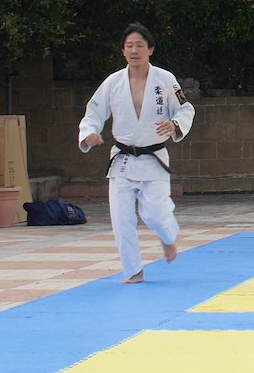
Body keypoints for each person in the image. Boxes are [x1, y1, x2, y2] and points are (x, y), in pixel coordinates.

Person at [78, 24, 196, 282]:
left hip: (154, 159)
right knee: (121, 220)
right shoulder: (113, 82)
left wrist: (174, 123)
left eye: (139, 45)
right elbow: (94, 112)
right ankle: (134, 270)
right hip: (121, 159)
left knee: (154, 213)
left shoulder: (165, 80)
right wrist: (89, 132)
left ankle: (168, 237)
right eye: (129, 46)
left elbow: (186, 109)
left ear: (150, 50)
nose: (134, 50)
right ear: (123, 51)